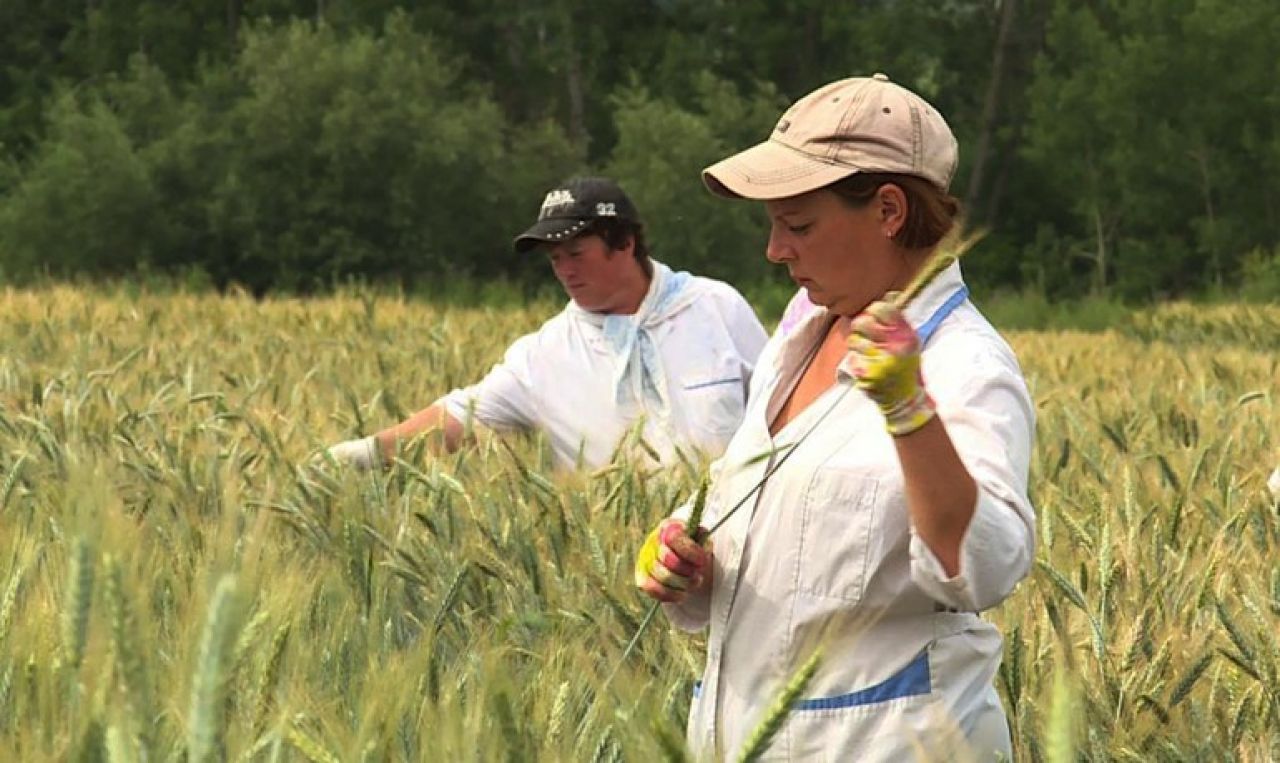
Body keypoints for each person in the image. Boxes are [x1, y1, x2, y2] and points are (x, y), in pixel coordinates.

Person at [634, 74, 1036, 760]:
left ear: (887, 210)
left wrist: (910, 410)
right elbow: (791, 541)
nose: (774, 250)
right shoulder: (798, 340)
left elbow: (985, 565)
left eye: (798, 225)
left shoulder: (967, 365)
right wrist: (693, 563)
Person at [324, 176, 769, 472]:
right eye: (555, 259)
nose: (565, 270)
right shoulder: (543, 356)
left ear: (626, 243)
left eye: (577, 254)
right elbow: (460, 416)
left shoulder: (716, 308)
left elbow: (785, 405)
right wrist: (353, 457)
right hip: (623, 567)